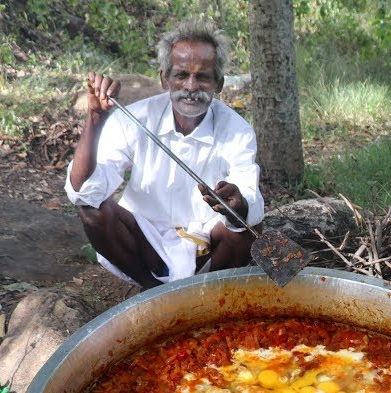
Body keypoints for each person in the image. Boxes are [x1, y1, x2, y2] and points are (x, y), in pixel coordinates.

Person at [66, 18, 264, 289]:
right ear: (164, 78)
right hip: (145, 242)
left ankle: (206, 292)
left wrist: (237, 205)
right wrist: (95, 119)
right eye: (181, 75)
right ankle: (152, 291)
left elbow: (249, 194)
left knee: (248, 226)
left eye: (203, 77)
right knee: (91, 209)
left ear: (218, 83)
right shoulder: (134, 118)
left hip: (209, 243)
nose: (191, 87)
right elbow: (83, 192)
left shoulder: (237, 130)